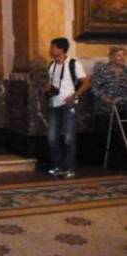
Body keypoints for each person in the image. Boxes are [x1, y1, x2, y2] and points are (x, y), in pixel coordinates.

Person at [45, 37, 90, 179]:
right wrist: (48, 88)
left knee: (68, 138)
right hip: (54, 104)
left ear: (61, 49)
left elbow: (86, 83)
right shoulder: (51, 65)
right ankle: (57, 166)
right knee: (52, 138)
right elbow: (52, 83)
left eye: (53, 47)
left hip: (69, 105)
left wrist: (75, 95)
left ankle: (69, 168)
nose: (51, 50)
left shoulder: (73, 64)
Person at [91, 46, 127, 164]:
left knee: (121, 135)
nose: (121, 58)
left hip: (121, 108)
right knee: (104, 135)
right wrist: (105, 97)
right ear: (112, 57)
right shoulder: (103, 71)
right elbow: (94, 88)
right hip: (104, 109)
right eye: (118, 55)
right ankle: (104, 162)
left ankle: (120, 161)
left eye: (123, 55)